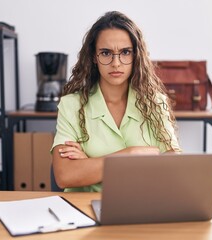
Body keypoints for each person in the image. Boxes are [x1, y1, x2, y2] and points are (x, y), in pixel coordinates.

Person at [51, 11, 181, 192]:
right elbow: (65, 176)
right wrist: (132, 154)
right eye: (106, 53)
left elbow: (172, 169)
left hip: (143, 205)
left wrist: (90, 164)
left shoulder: (156, 103)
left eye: (125, 52)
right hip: (86, 209)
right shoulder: (71, 105)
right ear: (94, 57)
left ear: (136, 56)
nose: (116, 63)